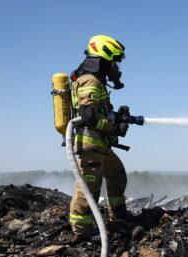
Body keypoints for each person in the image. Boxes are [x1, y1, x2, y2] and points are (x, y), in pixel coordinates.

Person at [68, 35, 131, 241]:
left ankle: (118, 215)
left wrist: (117, 117)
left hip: (101, 145)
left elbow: (98, 112)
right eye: (113, 61)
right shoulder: (90, 80)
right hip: (90, 146)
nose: (115, 67)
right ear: (103, 59)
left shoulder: (95, 81)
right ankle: (82, 232)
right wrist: (114, 125)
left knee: (117, 175)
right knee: (89, 188)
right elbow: (88, 115)